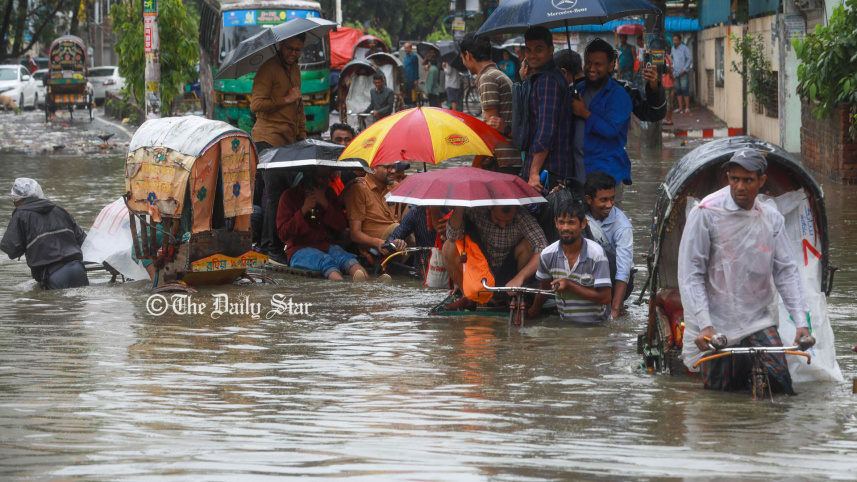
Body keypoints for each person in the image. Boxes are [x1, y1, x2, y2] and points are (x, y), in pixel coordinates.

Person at [678, 149, 810, 394]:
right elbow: (692, 274)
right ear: (727, 178)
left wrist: (801, 322)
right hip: (716, 322)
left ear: (761, 181)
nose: (739, 186)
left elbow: (786, 272)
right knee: (718, 397)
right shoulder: (707, 213)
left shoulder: (771, 218)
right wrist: (705, 324)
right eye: (734, 179)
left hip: (758, 319)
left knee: (781, 386)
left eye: (748, 180)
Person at [250, 33, 307, 265]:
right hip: (267, 139)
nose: (293, 53)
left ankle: (267, 246)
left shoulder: (295, 69)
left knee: (283, 194)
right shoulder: (268, 68)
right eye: (290, 48)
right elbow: (255, 105)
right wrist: (285, 99)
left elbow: (299, 106)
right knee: (276, 194)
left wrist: (302, 136)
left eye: (298, 50)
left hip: (288, 142)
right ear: (280, 45)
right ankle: (273, 249)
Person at [442, 205, 548, 311]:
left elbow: (543, 249)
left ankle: (516, 295)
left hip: (509, 272)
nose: (502, 225)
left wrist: (520, 277)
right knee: (449, 246)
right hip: (479, 269)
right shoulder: (475, 211)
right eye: (498, 219)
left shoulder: (522, 216)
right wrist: (460, 207)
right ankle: (470, 297)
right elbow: (453, 236)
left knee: (528, 245)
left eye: (508, 221)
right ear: (490, 207)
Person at [277, 166, 370, 281]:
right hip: (299, 249)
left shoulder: (329, 194)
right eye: (322, 177)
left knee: (348, 259)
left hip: (326, 245)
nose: (327, 181)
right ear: (309, 176)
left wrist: (325, 203)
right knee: (327, 261)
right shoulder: (289, 196)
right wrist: (303, 210)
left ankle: (368, 286)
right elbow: (283, 234)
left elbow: (342, 226)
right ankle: (340, 288)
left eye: (328, 177)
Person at [527, 198, 612, 322]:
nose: (565, 228)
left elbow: (605, 298)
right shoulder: (547, 254)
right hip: (566, 324)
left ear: (583, 224)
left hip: (597, 325)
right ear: (556, 223)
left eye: (571, 222)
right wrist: (533, 312)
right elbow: (544, 288)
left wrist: (570, 286)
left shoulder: (596, 254)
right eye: (561, 222)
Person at [571, 38, 633, 205]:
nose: (591, 68)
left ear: (610, 66)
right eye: (588, 63)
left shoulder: (618, 95)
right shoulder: (578, 90)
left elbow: (611, 129)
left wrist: (584, 113)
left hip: (607, 176)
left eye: (598, 64)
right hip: (579, 175)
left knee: (607, 221)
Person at [1, 178, 89, 290]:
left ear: (17, 201)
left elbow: (12, 249)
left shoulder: (20, 215)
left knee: (51, 301)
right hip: (78, 270)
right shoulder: (59, 210)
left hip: (54, 275)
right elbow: (84, 240)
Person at [520, 26, 574, 190]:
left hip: (547, 171)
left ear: (551, 50)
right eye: (528, 50)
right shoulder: (543, 78)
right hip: (551, 168)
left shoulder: (548, 81)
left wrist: (534, 171)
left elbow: (546, 129)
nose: (532, 55)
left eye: (538, 50)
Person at [554, 48, 665, 126]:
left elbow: (654, 113)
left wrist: (654, 88)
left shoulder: (619, 89)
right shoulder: (560, 98)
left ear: (563, 73)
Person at [458, 33, 520, 170]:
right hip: (509, 156)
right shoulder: (495, 74)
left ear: (467, 55)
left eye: (462, 57)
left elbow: (492, 126)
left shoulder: (487, 78)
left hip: (502, 159)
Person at [584, 172, 633, 318]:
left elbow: (624, 269)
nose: (609, 205)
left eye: (612, 199)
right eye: (603, 200)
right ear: (589, 199)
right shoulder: (579, 214)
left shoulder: (622, 226)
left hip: (612, 279)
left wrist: (615, 309)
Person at [342, 163, 410, 256]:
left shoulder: (395, 186)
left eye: (394, 167)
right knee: (396, 227)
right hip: (375, 248)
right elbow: (355, 234)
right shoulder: (359, 189)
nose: (393, 171)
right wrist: (377, 242)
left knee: (416, 210)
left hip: (399, 240)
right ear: (373, 169)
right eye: (387, 167)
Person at [671, 34, 692, 114]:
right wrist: (672, 67)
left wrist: (685, 69)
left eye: (676, 40)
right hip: (675, 72)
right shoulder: (672, 48)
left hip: (683, 73)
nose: (674, 42)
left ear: (680, 41)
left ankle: (687, 107)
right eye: (673, 40)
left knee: (685, 89)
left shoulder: (684, 48)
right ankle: (680, 108)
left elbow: (689, 58)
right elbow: (671, 58)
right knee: (678, 90)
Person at [402, 43, 419, 107]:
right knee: (406, 93)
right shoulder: (405, 56)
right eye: (405, 48)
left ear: (410, 48)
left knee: (412, 94)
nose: (406, 49)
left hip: (412, 78)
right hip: (406, 78)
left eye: (407, 48)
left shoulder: (414, 57)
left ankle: (413, 106)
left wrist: (416, 79)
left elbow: (416, 68)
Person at [662, 52, 675, 125]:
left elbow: (669, 68)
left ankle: (668, 119)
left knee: (667, 102)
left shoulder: (665, 57)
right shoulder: (668, 57)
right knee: (669, 101)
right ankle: (669, 119)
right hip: (669, 82)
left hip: (666, 82)